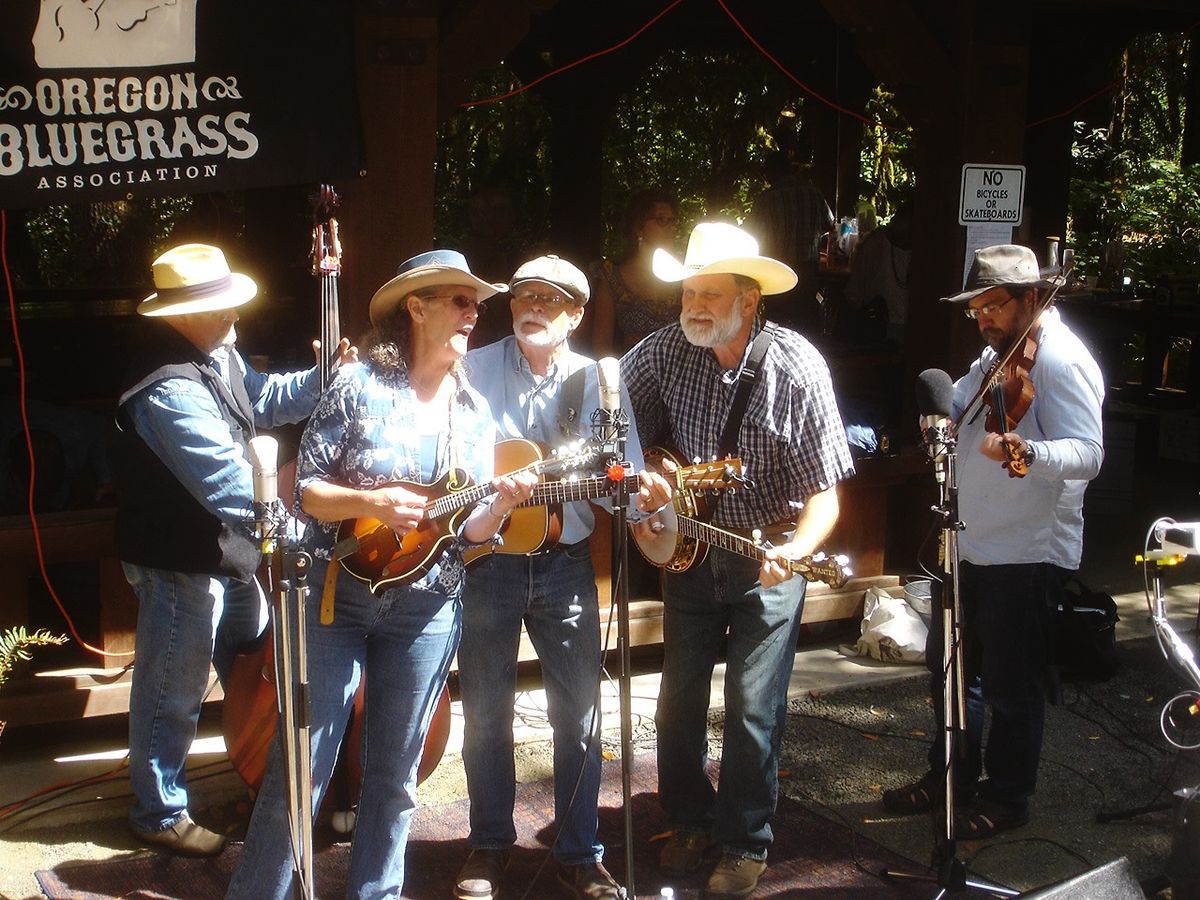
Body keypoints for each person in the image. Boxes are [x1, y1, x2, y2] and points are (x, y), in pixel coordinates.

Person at [227, 250, 538, 899]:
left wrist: (503, 501)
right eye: (458, 299)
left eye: (475, 302)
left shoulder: (475, 412)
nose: (472, 312)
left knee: (395, 780)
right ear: (415, 308)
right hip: (338, 601)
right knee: (301, 772)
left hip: (427, 611)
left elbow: (470, 531)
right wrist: (370, 502)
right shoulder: (359, 385)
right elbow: (307, 491)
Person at [621, 222, 855, 899]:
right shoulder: (666, 351)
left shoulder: (798, 369)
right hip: (690, 551)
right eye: (688, 292)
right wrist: (642, 475)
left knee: (753, 707)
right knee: (676, 703)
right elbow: (608, 415)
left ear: (749, 301)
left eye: (708, 294)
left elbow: (826, 500)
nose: (692, 306)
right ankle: (689, 821)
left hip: (767, 554)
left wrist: (796, 551)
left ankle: (745, 839)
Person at [113, 242, 356, 856]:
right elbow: (230, 484)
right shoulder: (166, 389)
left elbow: (266, 399)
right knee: (174, 687)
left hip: (228, 557)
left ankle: (260, 772)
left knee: (255, 666)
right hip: (180, 562)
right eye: (218, 307)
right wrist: (313, 534)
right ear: (177, 314)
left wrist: (325, 378)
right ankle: (158, 811)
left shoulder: (217, 353)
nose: (234, 316)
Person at [454, 254, 672, 900]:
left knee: (577, 716)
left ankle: (581, 853)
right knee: (485, 717)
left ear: (576, 315)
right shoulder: (473, 369)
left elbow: (623, 483)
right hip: (486, 562)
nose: (535, 308)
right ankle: (489, 847)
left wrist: (648, 499)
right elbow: (450, 464)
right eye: (525, 296)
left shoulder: (598, 381)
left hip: (565, 567)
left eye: (552, 300)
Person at [881, 244, 1104, 838]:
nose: (983, 319)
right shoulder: (993, 358)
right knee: (951, 671)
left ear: (1032, 298)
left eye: (994, 307)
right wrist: (940, 415)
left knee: (1010, 683)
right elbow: (958, 403)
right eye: (976, 309)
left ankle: (1007, 798)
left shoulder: (1061, 363)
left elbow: (1089, 453)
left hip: (1025, 552)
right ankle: (949, 777)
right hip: (971, 543)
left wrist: (1030, 451)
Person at [743, 152, 834, 336]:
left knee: (775, 328)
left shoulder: (766, 199)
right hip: (807, 273)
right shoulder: (814, 194)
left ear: (769, 174)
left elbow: (750, 234)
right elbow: (830, 225)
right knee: (807, 324)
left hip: (777, 273)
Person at [588, 187, 681, 354]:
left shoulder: (685, 275)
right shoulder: (612, 277)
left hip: (682, 373)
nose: (670, 227)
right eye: (661, 220)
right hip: (631, 374)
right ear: (639, 227)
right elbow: (601, 344)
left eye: (672, 221)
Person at [842, 201, 912, 343]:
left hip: (904, 329)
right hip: (879, 328)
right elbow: (854, 292)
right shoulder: (875, 243)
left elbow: (854, 292)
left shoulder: (875, 241)